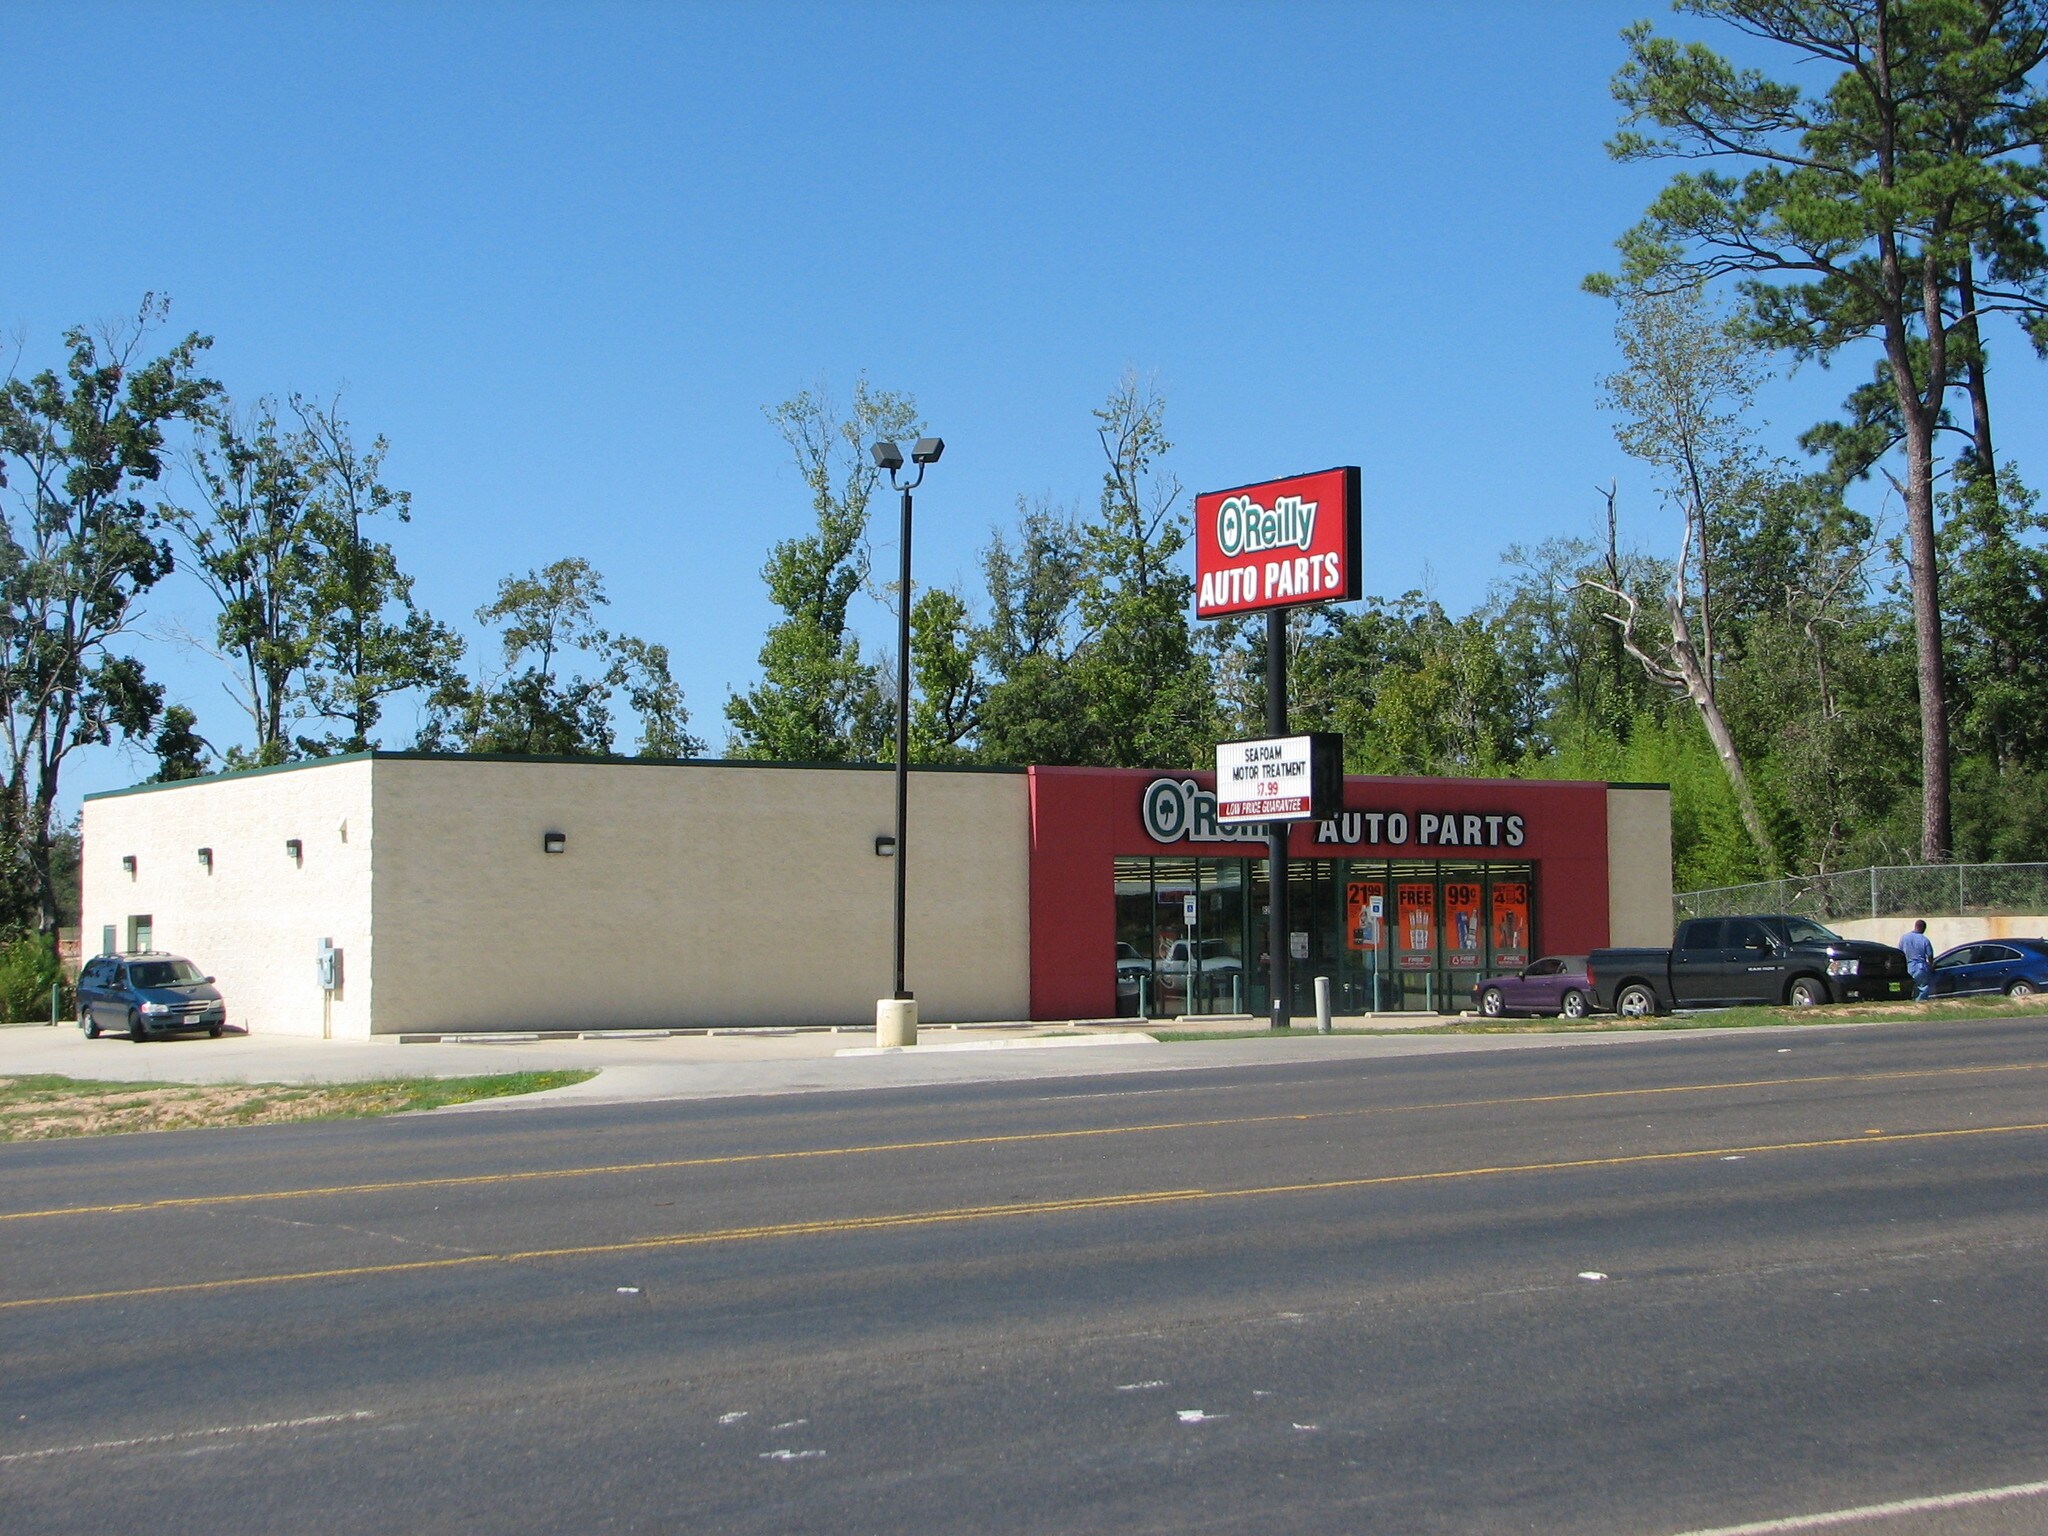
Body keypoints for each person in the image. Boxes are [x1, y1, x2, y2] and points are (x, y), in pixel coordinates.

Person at [1900, 918, 1936, 1000]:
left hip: (1908, 966)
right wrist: (1931, 966)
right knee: (1922, 987)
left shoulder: (1904, 938)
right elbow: (1930, 955)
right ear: (1923, 928)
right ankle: (1920, 1003)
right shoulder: (1924, 940)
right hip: (1920, 967)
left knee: (1910, 987)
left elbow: (1900, 952)